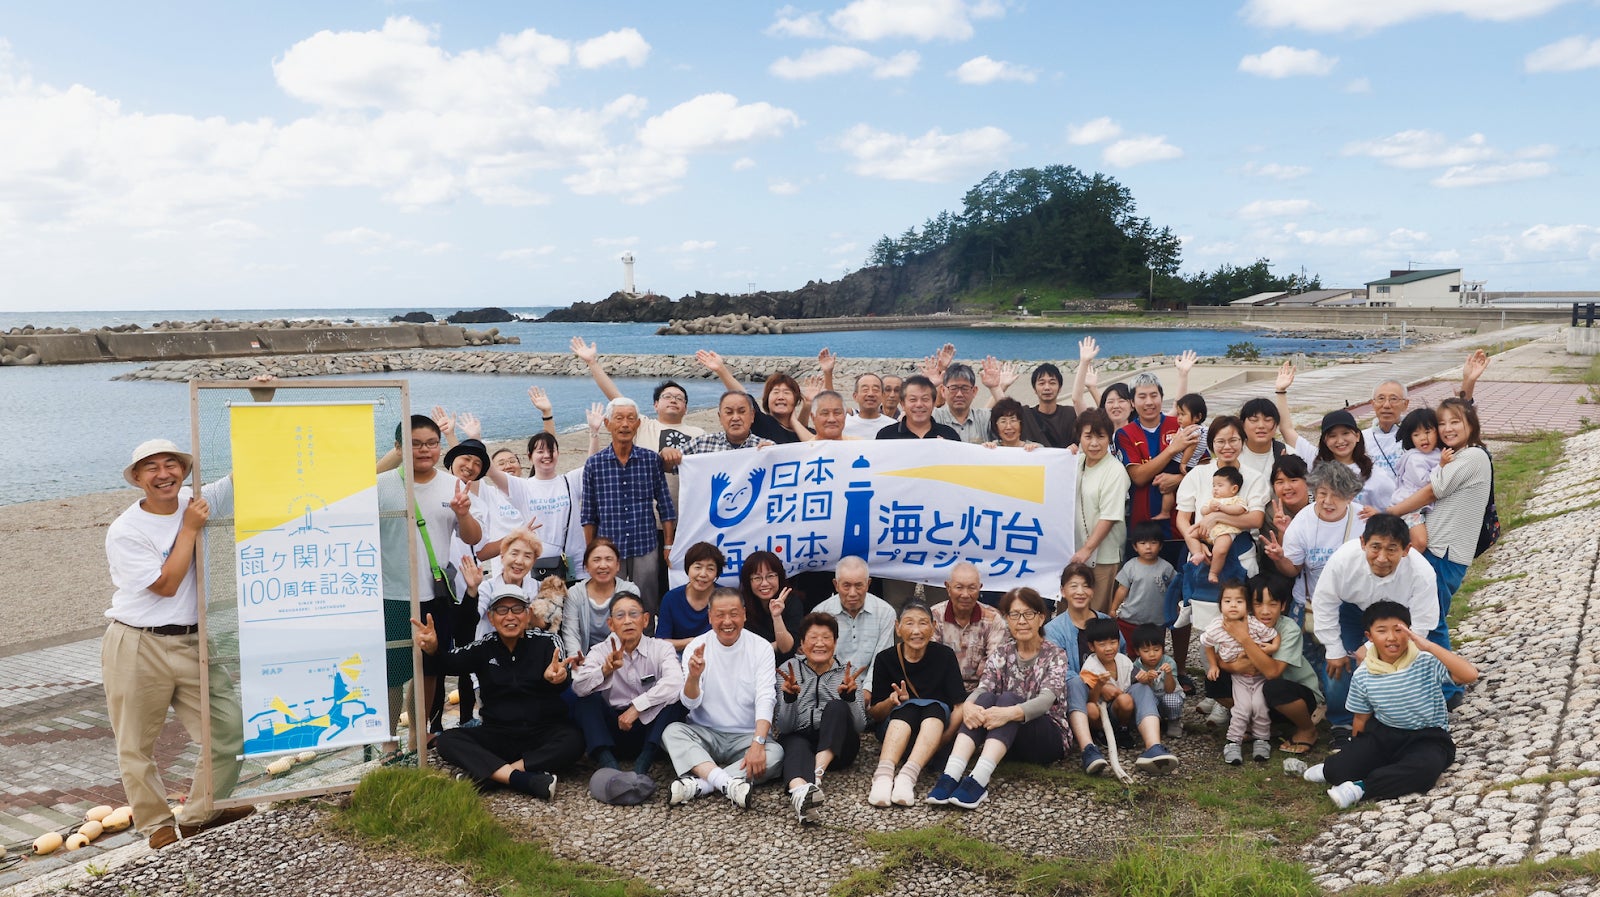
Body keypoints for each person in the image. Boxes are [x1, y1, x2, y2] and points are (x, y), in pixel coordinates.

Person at [103, 439, 250, 849]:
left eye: (172, 464)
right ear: (137, 478)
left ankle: (203, 812)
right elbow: (166, 585)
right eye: (151, 468)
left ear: (184, 471)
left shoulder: (196, 501)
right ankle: (155, 824)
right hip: (136, 642)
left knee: (229, 728)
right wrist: (189, 528)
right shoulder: (126, 531)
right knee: (135, 743)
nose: (163, 473)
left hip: (193, 640)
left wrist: (261, 400)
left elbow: (243, 473)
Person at [413, 583, 581, 800]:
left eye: (517, 609)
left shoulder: (548, 642)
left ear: (528, 615)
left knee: (574, 740)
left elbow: (561, 672)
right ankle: (525, 780)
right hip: (498, 734)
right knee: (447, 741)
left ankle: (493, 775)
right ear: (491, 618)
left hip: (541, 731)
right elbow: (450, 663)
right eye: (502, 610)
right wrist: (434, 648)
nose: (510, 616)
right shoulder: (483, 647)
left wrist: (557, 678)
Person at [1302, 600, 1478, 808]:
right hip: (1384, 735)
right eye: (1382, 631)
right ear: (1369, 637)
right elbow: (1361, 718)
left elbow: (1469, 674)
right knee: (1339, 770)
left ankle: (1360, 788)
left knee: (1425, 770)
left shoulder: (1425, 661)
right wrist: (1354, 750)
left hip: (1428, 737)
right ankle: (1327, 769)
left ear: (1409, 632)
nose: (1391, 637)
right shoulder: (1364, 674)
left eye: (1399, 630)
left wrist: (1428, 645)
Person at [1380, 396, 1492, 710]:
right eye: (1441, 423)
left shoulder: (1471, 457)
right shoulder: (1459, 455)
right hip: (1443, 550)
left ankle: (1445, 692)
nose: (1446, 429)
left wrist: (1388, 513)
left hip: (1443, 552)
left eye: (1455, 422)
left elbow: (1431, 490)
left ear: (1471, 424)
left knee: (1432, 622)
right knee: (1432, 618)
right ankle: (1443, 687)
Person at [376, 415, 483, 738]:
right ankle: (390, 741)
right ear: (398, 447)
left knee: (428, 669)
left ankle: (416, 738)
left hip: (434, 595)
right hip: (391, 594)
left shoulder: (451, 485)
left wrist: (463, 514)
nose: (425, 450)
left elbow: (473, 537)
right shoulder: (380, 486)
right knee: (393, 674)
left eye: (431, 443)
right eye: (415, 443)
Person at [926, 588, 1075, 808]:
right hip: (1005, 736)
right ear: (1007, 620)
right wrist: (968, 706)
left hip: (1047, 736)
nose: (1021, 621)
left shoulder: (1055, 654)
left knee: (1007, 698)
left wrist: (1008, 713)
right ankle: (951, 775)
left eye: (1028, 614)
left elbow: (1046, 701)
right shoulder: (1002, 652)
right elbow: (984, 686)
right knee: (984, 698)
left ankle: (978, 780)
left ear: (1041, 618)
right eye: (1014, 615)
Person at [1311, 515, 1440, 749]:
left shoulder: (1422, 572)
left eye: (1392, 549)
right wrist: (1334, 647)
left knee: (1409, 665)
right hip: (1352, 609)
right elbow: (1324, 602)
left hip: (1401, 619)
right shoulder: (1343, 560)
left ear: (1406, 549)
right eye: (1375, 548)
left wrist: (1371, 647)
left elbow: (1421, 626)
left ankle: (1394, 719)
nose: (1381, 558)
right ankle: (1342, 724)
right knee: (1338, 664)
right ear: (1362, 543)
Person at [663, 589, 784, 808]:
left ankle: (703, 784)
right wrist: (693, 676)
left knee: (775, 753)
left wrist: (758, 743)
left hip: (745, 736)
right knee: (672, 732)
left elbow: (766, 697)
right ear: (710, 616)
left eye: (734, 614)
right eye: (719, 615)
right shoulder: (696, 647)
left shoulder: (761, 647)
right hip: (706, 732)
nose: (727, 621)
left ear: (744, 615)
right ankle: (729, 783)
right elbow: (690, 703)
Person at [1173, 416, 1269, 674]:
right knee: (1207, 627)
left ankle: (1237, 685)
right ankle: (1217, 689)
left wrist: (1217, 516)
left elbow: (1255, 518)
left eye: (1234, 440)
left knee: (1240, 621)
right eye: (1220, 441)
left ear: (1242, 441)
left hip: (1239, 555)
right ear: (1212, 443)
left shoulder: (1254, 477)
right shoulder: (1199, 474)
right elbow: (1183, 518)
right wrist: (1195, 548)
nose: (1228, 446)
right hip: (1202, 553)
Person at [863, 602, 966, 807]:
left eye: (923, 623)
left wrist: (943, 740)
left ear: (933, 626)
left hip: (933, 732)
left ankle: (907, 778)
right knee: (908, 708)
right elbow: (875, 713)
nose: (916, 631)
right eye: (909, 623)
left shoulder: (945, 656)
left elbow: (959, 706)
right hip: (896, 729)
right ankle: (883, 777)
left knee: (933, 708)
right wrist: (891, 702)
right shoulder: (886, 659)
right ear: (898, 627)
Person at [570, 593, 686, 774]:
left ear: (645, 619)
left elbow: (676, 682)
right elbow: (578, 687)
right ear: (610, 624)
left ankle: (643, 764)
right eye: (620, 616)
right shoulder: (599, 651)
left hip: (649, 728)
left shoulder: (661, 648)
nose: (627, 621)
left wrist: (637, 708)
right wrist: (605, 671)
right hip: (613, 729)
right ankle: (609, 764)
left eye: (633, 614)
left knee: (675, 700)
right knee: (585, 700)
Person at [581, 397, 676, 612]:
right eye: (619, 418)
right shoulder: (594, 464)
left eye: (631, 419)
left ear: (638, 424)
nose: (625, 424)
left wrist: (668, 544)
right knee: (613, 602)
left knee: (648, 601)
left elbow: (665, 505)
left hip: (646, 544)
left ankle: (648, 640)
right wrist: (591, 551)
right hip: (609, 547)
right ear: (607, 423)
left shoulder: (651, 460)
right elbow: (588, 514)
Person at [776, 612, 867, 822]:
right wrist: (789, 699)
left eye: (826, 638)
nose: (820, 644)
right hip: (802, 738)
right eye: (813, 638)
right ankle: (801, 793)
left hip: (839, 750)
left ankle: (816, 774)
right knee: (793, 742)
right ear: (802, 643)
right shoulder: (788, 670)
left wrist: (850, 698)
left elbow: (860, 726)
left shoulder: (847, 673)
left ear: (835, 642)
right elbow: (785, 727)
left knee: (836, 707)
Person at [1232, 575, 1324, 755]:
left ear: (1283, 606)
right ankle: (1257, 723)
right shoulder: (1241, 622)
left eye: (1273, 604)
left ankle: (1307, 729)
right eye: (1258, 604)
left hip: (1298, 698)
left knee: (1274, 687)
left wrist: (1244, 640)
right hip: (1257, 693)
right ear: (1250, 606)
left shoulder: (1288, 628)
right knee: (1216, 679)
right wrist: (1236, 667)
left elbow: (1273, 672)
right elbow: (1222, 660)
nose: (1265, 611)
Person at [1263, 461, 1365, 621]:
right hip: (1313, 605)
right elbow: (1293, 569)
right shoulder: (1302, 522)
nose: (1328, 501)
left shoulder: (1364, 518)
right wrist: (1280, 559)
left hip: (1356, 603)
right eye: (1322, 493)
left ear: (1350, 497)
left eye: (1337, 495)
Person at [1200, 581, 1279, 765]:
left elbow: (1274, 634)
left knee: (1260, 706)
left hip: (1259, 676)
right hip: (1239, 678)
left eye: (1239, 601)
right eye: (1227, 601)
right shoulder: (1217, 626)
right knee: (1242, 708)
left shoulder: (1253, 623)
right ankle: (1233, 741)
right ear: (1220, 605)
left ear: (1247, 606)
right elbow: (1206, 644)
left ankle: (1261, 740)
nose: (1233, 605)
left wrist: (1273, 646)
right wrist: (1213, 665)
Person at [812, 557, 897, 701]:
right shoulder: (820, 613)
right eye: (846, 586)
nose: (852, 593)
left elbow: (882, 659)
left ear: (868, 584)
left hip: (872, 691)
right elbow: (817, 662)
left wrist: (867, 691)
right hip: (830, 692)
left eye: (859, 586)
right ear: (836, 584)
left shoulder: (885, 612)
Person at [1072, 409, 1131, 611]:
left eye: (1101, 436)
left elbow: (1109, 516)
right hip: (1076, 554)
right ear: (1079, 437)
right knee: (1072, 613)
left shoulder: (1114, 470)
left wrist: (1087, 550)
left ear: (1109, 437)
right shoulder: (1077, 462)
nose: (1094, 443)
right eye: (1088, 436)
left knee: (1095, 615)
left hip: (1104, 558)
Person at [696, 350, 814, 444]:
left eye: (787, 393)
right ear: (767, 400)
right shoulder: (762, 423)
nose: (781, 397)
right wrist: (721, 370)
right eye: (776, 392)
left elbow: (818, 446)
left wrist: (797, 418)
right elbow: (743, 396)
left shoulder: (806, 432)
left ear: (796, 399)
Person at [928, 562, 1009, 693]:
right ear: (948, 588)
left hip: (982, 690)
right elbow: (930, 662)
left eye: (972, 588)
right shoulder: (934, 616)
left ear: (980, 588)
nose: (965, 594)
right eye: (959, 587)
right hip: (941, 688)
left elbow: (995, 665)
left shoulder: (993, 618)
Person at [562, 538, 640, 656]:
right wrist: (577, 659)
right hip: (585, 661)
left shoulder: (629, 591)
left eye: (609, 559)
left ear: (618, 565)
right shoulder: (574, 593)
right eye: (596, 560)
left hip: (622, 657)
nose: (603, 565)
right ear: (586, 566)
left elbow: (629, 633)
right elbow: (571, 634)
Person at [1110, 521, 1176, 652]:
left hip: (1157, 620)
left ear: (1160, 545)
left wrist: (1175, 608)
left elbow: (1174, 589)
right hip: (1131, 618)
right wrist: (1113, 608)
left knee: (1153, 650)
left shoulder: (1166, 568)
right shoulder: (1130, 566)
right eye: (1143, 543)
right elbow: (1122, 589)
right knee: (1129, 649)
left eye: (1153, 543)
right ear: (1135, 547)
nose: (1148, 547)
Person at [1388, 408, 1443, 553]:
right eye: (1416, 434)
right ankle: (1405, 566)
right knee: (1420, 542)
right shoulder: (1414, 458)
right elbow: (1426, 483)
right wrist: (1441, 466)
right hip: (1409, 506)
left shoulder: (1437, 452)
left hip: (1420, 506)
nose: (1423, 438)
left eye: (1428, 431)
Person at [656, 541, 722, 651]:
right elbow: (661, 642)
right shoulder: (671, 598)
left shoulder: (725, 597)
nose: (703, 574)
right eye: (698, 567)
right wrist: (692, 642)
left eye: (710, 569)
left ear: (717, 573)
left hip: (717, 654)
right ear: (688, 568)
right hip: (679, 654)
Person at [739, 550, 804, 657]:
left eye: (770, 576)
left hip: (786, 668)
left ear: (779, 577)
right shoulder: (741, 604)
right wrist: (773, 646)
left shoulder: (792, 601)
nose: (764, 583)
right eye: (757, 578)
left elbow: (785, 648)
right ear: (748, 581)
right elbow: (743, 649)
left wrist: (777, 616)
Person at [1130, 623, 1183, 739]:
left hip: (1166, 696)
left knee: (1172, 699)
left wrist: (1168, 674)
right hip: (1150, 702)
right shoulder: (1136, 666)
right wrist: (1146, 680)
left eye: (1156, 649)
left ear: (1162, 648)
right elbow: (1140, 692)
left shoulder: (1168, 662)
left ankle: (1174, 721)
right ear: (1138, 652)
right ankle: (1150, 722)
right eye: (1146, 651)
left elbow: (1170, 690)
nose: (1152, 654)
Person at [876, 375, 960, 441]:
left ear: (933, 403)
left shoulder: (949, 435)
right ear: (903, 404)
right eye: (913, 399)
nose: (919, 404)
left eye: (925, 399)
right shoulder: (885, 436)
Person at [1201, 467, 1248, 584]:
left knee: (1220, 550)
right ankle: (1197, 552)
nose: (1215, 489)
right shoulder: (1212, 501)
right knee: (1190, 533)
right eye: (1214, 486)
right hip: (1208, 530)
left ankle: (1213, 572)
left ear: (1234, 488)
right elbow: (1203, 510)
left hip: (1225, 531)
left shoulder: (1235, 500)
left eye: (1220, 485)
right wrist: (1209, 509)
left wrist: (1222, 508)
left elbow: (1239, 510)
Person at [1019, 361, 1079, 448]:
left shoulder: (1071, 414)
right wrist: (997, 388)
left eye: (1052, 383)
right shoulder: (1026, 415)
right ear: (1034, 389)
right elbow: (1002, 414)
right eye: (1041, 383)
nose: (1047, 388)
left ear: (1060, 388)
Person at [685, 391, 768, 455]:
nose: (735, 418)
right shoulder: (701, 444)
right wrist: (672, 454)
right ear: (720, 417)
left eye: (742, 412)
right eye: (729, 412)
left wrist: (773, 454)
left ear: (752, 416)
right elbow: (674, 463)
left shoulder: (766, 447)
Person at [931, 362, 993, 444]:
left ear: (974, 391)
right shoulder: (934, 416)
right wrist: (930, 385)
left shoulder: (984, 418)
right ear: (943, 391)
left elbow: (1013, 423)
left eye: (965, 388)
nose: (959, 394)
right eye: (953, 388)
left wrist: (996, 388)